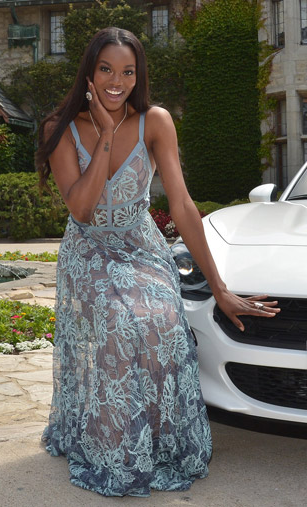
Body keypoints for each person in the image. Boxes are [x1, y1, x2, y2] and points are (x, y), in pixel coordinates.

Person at [35, 27, 278, 497]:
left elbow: (183, 206)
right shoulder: (59, 128)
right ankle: (114, 445)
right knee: (118, 324)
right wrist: (105, 134)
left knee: (162, 322)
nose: (116, 82)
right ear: (89, 71)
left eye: (128, 72)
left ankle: (160, 445)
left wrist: (220, 287)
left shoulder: (156, 121)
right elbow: (81, 209)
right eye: (106, 69)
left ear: (137, 76)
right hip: (89, 249)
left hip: (142, 246)